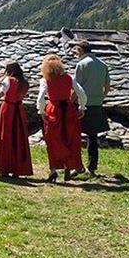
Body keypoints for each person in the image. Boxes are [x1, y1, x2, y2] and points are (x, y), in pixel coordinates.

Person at [36, 53, 86, 182]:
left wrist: (41, 111)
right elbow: (81, 93)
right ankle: (67, 167)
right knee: (69, 138)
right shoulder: (69, 78)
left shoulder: (45, 80)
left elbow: (41, 97)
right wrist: (82, 107)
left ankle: (53, 170)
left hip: (53, 110)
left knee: (52, 140)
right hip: (68, 110)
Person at [74, 39, 112, 174]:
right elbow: (107, 87)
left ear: (82, 50)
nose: (75, 54)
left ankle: (76, 166)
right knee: (93, 137)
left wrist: (72, 101)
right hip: (97, 104)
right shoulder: (102, 65)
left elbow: (76, 87)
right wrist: (101, 97)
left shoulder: (81, 64)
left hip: (82, 105)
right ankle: (92, 167)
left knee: (75, 136)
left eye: (76, 51)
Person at [0, 61, 33, 178]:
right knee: (18, 137)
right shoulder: (24, 82)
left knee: (5, 136)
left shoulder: (8, 80)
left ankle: (4, 168)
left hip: (8, 109)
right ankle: (18, 168)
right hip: (19, 109)